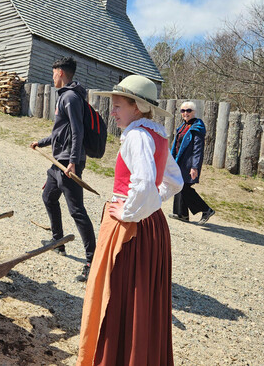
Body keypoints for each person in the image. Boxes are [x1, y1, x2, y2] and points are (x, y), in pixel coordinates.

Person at [77, 74, 183, 365]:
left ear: (137, 106)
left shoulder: (137, 134)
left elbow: (146, 181)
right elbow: (174, 181)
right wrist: (149, 206)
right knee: (142, 300)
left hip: (131, 229)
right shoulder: (158, 134)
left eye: (118, 106)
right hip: (152, 227)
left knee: (118, 296)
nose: (112, 112)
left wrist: (130, 211)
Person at [30, 57, 96, 282]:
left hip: (68, 163)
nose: (52, 77)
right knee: (48, 197)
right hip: (58, 163)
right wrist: (42, 142)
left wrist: (74, 163)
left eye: (53, 73)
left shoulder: (70, 97)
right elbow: (60, 132)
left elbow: (78, 131)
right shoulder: (66, 96)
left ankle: (92, 260)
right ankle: (58, 241)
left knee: (77, 210)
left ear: (60, 72)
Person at [169, 101, 215, 225]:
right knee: (179, 185)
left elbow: (198, 149)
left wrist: (194, 167)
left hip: (189, 163)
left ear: (194, 112)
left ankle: (206, 209)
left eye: (188, 110)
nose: (185, 113)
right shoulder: (184, 126)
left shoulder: (197, 127)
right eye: (183, 111)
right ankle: (181, 213)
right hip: (180, 161)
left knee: (184, 187)